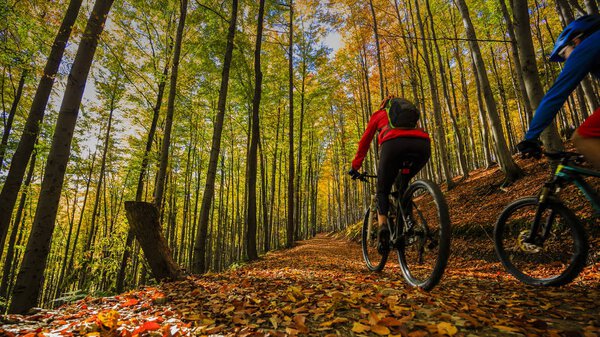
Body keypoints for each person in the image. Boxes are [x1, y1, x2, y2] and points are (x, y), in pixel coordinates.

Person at [348, 97, 431, 253]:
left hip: (393, 146)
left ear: (383, 106)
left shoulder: (379, 114)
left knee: (383, 191)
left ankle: (383, 228)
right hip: (422, 146)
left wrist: (355, 166)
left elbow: (365, 141)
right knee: (402, 185)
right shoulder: (410, 115)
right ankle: (410, 223)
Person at [516, 14, 600, 168]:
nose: (566, 60)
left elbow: (556, 95)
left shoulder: (585, 47)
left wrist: (531, 137)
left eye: (563, 53)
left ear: (575, 41)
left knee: (582, 137)